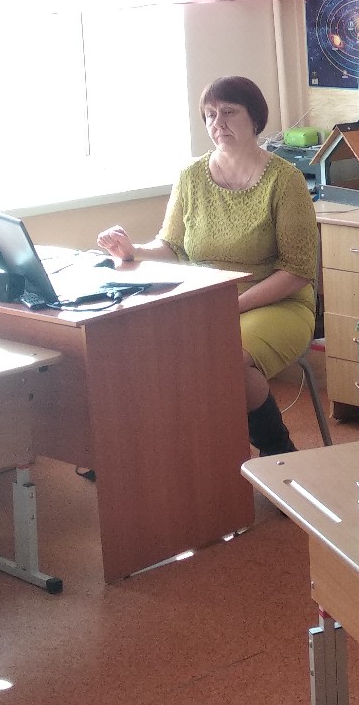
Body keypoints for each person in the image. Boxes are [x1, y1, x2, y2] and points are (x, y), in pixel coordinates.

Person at [97, 75, 317, 457]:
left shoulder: (286, 181)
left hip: (276, 303)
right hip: (204, 300)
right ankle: (166, 458)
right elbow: (172, 246)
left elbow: (297, 271)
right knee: (139, 351)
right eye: (210, 115)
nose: (218, 123)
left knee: (224, 360)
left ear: (255, 119)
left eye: (229, 112)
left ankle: (278, 451)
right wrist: (132, 252)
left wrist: (233, 304)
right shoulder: (191, 176)